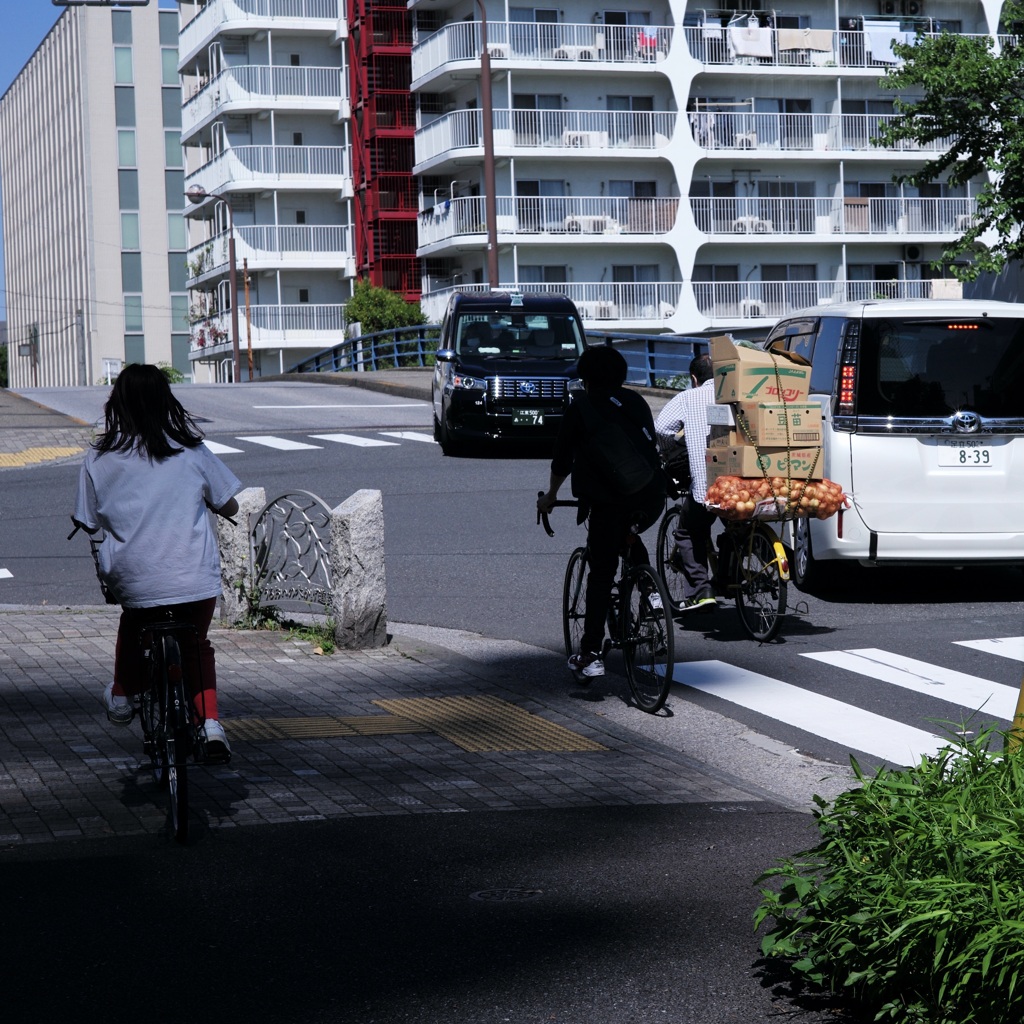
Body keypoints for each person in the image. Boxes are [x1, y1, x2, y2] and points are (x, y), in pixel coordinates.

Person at [73, 364, 242, 761]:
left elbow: (88, 520)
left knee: (135, 621)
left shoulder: (98, 459)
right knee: (196, 644)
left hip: (135, 580)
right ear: (168, 402)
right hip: (194, 578)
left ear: (117, 404)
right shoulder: (192, 451)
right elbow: (230, 502)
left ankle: (120, 695)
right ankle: (212, 724)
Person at [537, 345, 666, 679]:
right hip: (651, 495)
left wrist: (550, 496)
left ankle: (591, 653)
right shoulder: (637, 401)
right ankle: (650, 592)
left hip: (609, 501)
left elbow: (562, 461)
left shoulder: (581, 407)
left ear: (586, 377)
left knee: (601, 573)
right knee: (631, 530)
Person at [654, 353, 718, 612]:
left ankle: (701, 590)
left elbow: (662, 429)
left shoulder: (688, 397)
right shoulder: (741, 395)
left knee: (687, 531)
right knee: (738, 526)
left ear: (694, 378)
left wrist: (672, 449)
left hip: (709, 486)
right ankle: (729, 573)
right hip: (752, 484)